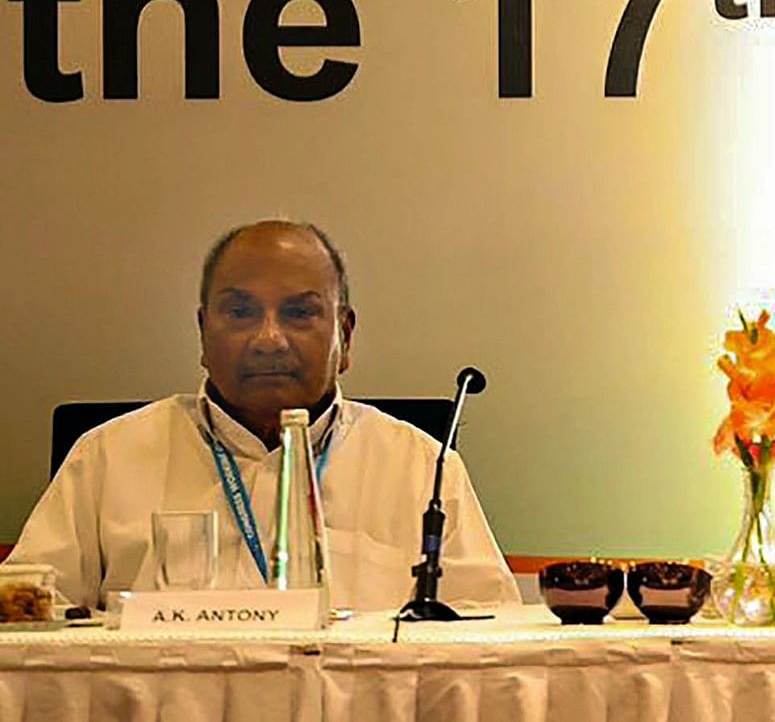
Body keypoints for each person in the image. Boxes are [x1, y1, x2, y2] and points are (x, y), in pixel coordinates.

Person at [9, 219, 516, 611]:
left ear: (345, 337)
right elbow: (27, 624)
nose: (269, 338)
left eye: (299, 313)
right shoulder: (107, 458)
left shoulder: (420, 466)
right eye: (241, 312)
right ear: (203, 333)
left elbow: (488, 632)